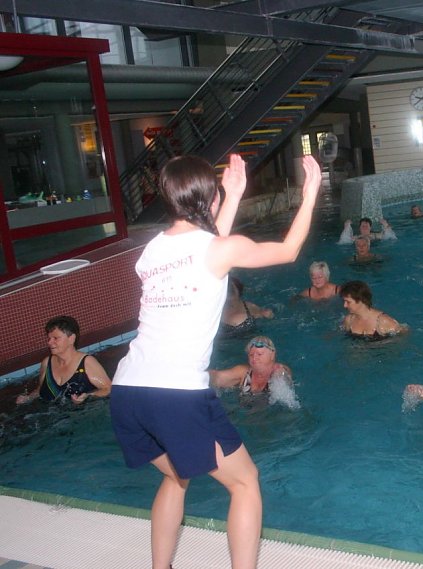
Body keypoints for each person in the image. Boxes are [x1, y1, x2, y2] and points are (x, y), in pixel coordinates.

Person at [109, 152, 321, 569]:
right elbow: (289, 250)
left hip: (128, 390)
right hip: (177, 396)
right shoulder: (217, 248)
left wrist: (233, 194)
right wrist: (311, 192)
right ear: (207, 198)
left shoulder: (150, 253)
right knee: (245, 483)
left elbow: (205, 249)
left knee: (176, 475)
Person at [16, 315, 112, 405]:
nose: (49, 342)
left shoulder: (87, 363)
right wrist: (29, 398)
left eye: (55, 338)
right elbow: (41, 389)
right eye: (49, 338)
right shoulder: (47, 363)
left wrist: (88, 396)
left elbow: (108, 388)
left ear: (71, 339)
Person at [209, 336, 299, 410]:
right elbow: (218, 378)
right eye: (251, 355)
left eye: (259, 354)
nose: (254, 358)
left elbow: (288, 403)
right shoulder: (243, 372)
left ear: (272, 355)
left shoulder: (279, 371)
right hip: (242, 411)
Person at [339, 280, 404, 339]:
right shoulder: (349, 321)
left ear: (360, 300)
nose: (344, 305)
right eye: (344, 301)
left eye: (348, 302)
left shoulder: (383, 322)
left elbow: (403, 334)